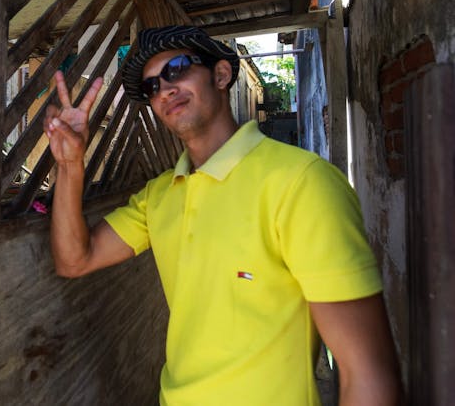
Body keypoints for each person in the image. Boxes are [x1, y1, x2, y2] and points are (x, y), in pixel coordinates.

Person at [42, 25, 402, 406]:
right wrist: (70, 166)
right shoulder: (159, 196)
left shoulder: (301, 183)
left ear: (221, 75)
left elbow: (367, 373)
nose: (163, 90)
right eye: (151, 88)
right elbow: (73, 260)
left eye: (177, 68)